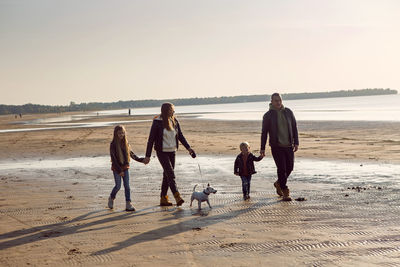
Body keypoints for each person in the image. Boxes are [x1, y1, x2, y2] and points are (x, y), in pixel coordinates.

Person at [143, 102, 196, 206]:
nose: (174, 111)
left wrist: (189, 148)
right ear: (166, 110)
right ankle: (177, 196)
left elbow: (180, 136)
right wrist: (147, 156)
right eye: (172, 110)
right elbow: (151, 140)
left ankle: (163, 198)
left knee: (167, 175)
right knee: (171, 174)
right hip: (161, 152)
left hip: (172, 152)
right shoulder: (157, 122)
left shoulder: (174, 121)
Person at [260, 93, 299, 201]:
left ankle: (278, 183)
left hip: (288, 145)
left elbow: (294, 127)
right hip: (276, 146)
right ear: (271, 101)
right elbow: (264, 133)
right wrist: (262, 148)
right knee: (282, 169)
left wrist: (296, 142)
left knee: (290, 168)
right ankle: (285, 191)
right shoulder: (268, 115)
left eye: (280, 100)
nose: (278, 102)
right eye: (276, 100)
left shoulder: (288, 112)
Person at [108, 125, 145, 211]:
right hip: (116, 168)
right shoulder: (113, 145)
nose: (121, 134)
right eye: (119, 133)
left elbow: (132, 155)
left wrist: (142, 160)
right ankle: (111, 198)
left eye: (123, 133)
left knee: (127, 186)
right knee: (118, 186)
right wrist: (119, 171)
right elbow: (113, 160)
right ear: (116, 134)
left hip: (125, 167)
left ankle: (128, 204)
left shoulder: (126, 143)